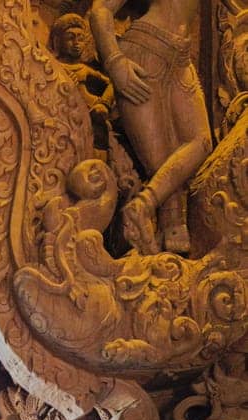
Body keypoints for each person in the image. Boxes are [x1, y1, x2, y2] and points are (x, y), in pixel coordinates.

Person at [88, 0, 212, 253]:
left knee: (202, 142)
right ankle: (163, 232)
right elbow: (100, 10)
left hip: (180, 56)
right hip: (143, 51)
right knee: (160, 162)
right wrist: (114, 61)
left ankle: (144, 206)